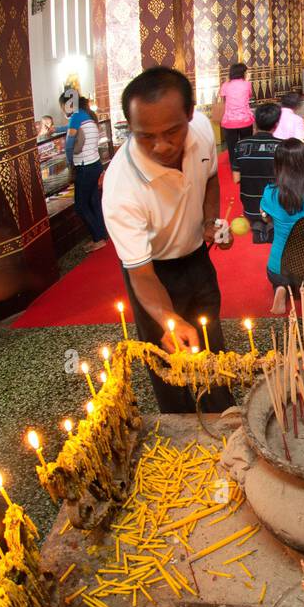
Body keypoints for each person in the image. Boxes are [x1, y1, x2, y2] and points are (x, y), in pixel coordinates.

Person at [100, 66, 234, 414]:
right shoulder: (121, 187)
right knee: (166, 352)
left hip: (196, 258)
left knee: (209, 340)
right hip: (152, 270)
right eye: (146, 136)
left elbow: (211, 177)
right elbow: (141, 275)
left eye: (172, 131)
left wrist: (209, 219)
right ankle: (179, 423)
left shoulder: (202, 131)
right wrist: (168, 318)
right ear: (130, 128)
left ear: (190, 114)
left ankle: (223, 415)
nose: (161, 145)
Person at [260, 139, 304, 314]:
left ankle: (281, 289)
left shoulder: (269, 192)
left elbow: (266, 218)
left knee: (279, 277)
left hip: (277, 267)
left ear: (278, 165)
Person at [60, 90, 107, 253]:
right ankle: (101, 236)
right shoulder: (87, 116)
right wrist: (56, 129)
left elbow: (69, 143)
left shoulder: (75, 116)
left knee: (81, 206)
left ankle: (98, 238)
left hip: (85, 167)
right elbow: (69, 129)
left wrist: (69, 163)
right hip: (95, 165)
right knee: (93, 201)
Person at [233, 102, 283, 242]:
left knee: (255, 209)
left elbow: (236, 178)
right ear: (276, 124)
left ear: (255, 122)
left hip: (250, 207)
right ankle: (271, 223)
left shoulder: (240, 145)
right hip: (275, 205)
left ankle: (257, 223)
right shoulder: (282, 146)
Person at [215, 62, 254, 165]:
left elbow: (222, 97)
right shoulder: (247, 84)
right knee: (246, 145)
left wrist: (228, 81)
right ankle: (246, 165)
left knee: (232, 147)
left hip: (229, 122)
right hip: (245, 121)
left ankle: (234, 167)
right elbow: (249, 95)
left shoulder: (225, 85)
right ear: (243, 73)